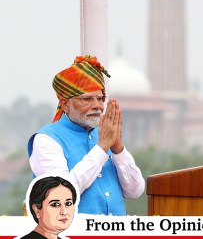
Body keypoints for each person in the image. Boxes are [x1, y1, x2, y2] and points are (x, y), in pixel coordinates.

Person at [27, 55, 145, 215]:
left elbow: (135, 191)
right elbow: (61, 194)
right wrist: (102, 148)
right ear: (64, 104)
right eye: (87, 99)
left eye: (100, 98)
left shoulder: (104, 134)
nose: (97, 106)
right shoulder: (46, 140)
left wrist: (118, 149)